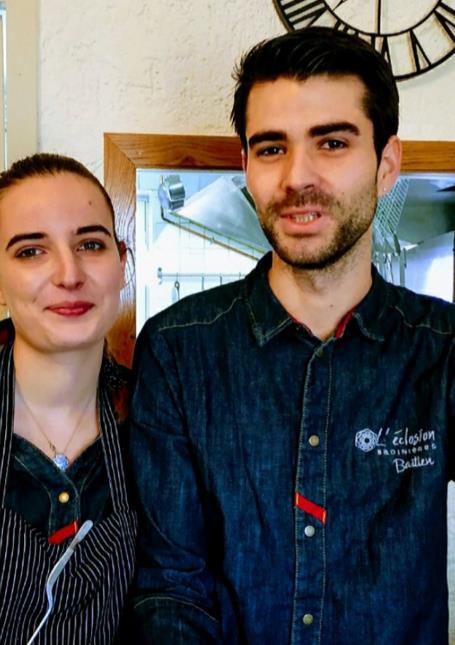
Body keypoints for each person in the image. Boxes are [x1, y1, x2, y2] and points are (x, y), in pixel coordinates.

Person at [129, 27, 455, 644]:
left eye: (332, 142)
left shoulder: (441, 348)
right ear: (246, 165)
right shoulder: (178, 349)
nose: (298, 178)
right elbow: (171, 585)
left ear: (386, 165)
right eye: (272, 148)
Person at [0, 153, 136, 644]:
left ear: (122, 264)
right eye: (30, 251)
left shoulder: (158, 422)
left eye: (90, 244)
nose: (69, 273)